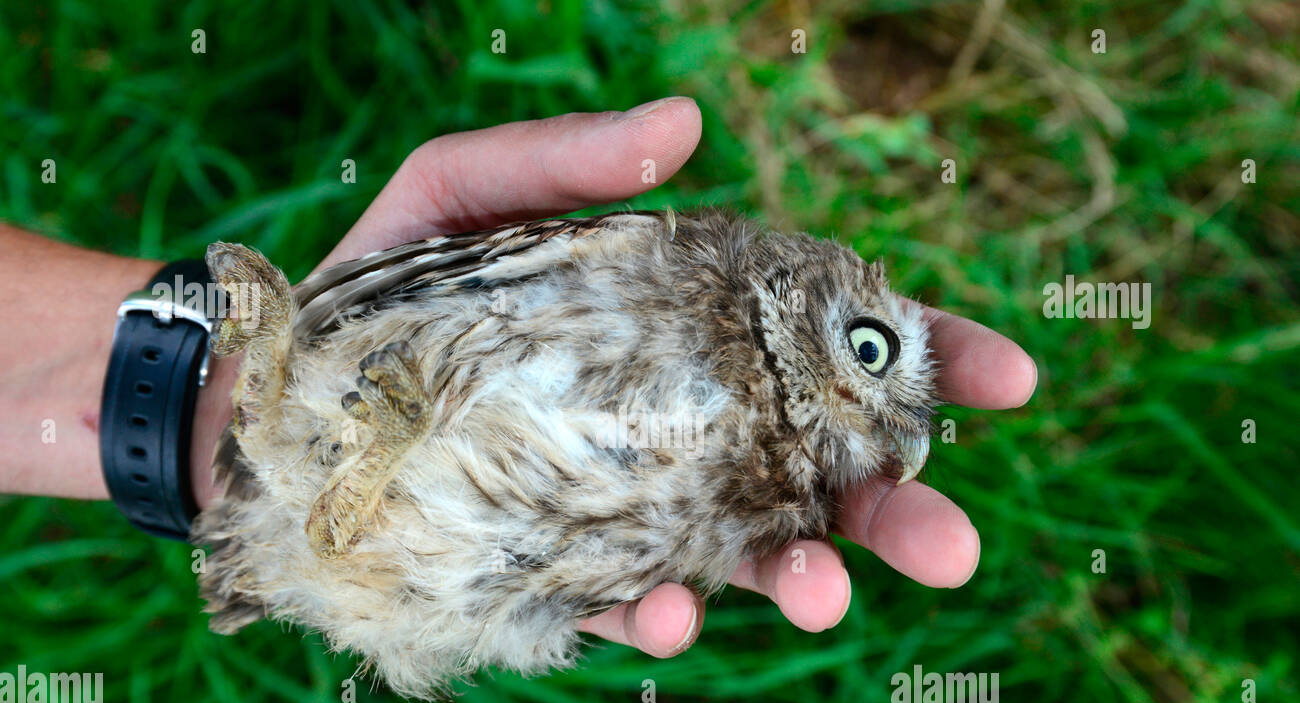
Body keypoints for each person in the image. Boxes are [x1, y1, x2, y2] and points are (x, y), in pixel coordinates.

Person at [0, 97, 1036, 659]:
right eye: (871, 351)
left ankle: (305, 445)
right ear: (808, 289)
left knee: (399, 528)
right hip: (355, 391)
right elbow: (444, 292)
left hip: (385, 541)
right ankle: (278, 398)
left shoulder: (759, 510)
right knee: (354, 419)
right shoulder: (666, 263)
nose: (878, 407)